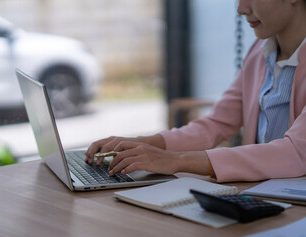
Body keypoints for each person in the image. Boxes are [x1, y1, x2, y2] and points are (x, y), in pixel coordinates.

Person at [85, 0, 306, 182]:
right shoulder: (259, 53)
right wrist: (143, 144)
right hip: (262, 195)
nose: (241, 9)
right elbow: (215, 124)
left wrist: (176, 159)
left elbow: (296, 151)